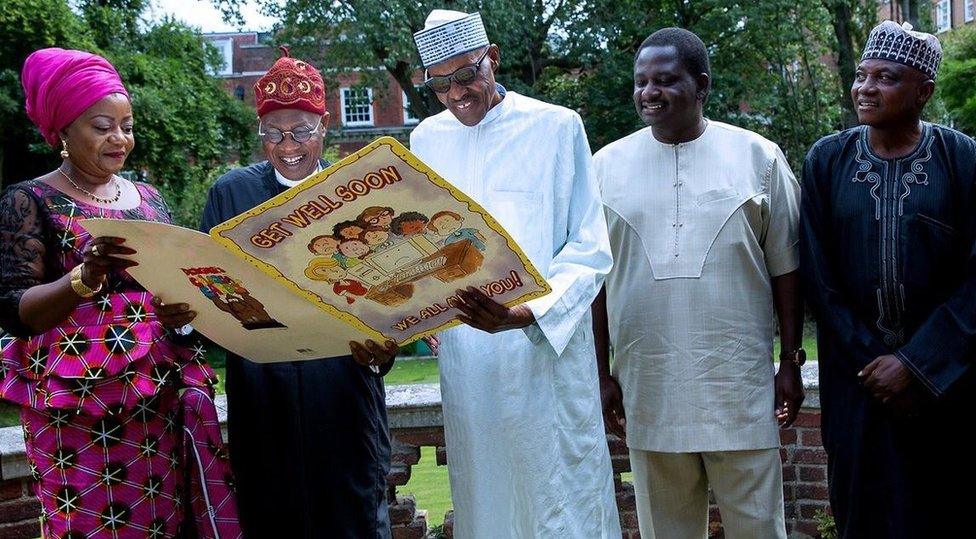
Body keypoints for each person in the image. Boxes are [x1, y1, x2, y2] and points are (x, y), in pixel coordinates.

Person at [0, 48, 239, 539]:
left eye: (127, 126)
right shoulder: (29, 200)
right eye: (102, 126)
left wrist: (182, 315)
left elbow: (170, 288)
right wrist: (83, 278)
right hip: (76, 408)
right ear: (63, 130)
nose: (120, 138)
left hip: (158, 399)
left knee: (171, 523)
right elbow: (15, 312)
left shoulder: (149, 200)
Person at [409, 10, 620, 537]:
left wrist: (529, 312)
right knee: (485, 506)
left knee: (561, 503)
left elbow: (590, 248)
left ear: (493, 58)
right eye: (439, 85)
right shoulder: (425, 141)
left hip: (544, 353)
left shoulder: (556, 126)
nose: (457, 95)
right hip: (468, 359)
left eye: (466, 76)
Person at [591, 28, 803, 539]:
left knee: (760, 530)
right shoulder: (603, 167)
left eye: (665, 80)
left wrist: (790, 363)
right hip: (648, 390)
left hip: (741, 390)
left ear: (701, 85)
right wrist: (601, 373)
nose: (649, 92)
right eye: (641, 81)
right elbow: (593, 284)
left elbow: (789, 271)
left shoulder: (759, 158)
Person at [199, 47, 398, 538]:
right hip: (263, 393)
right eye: (274, 133)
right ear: (260, 132)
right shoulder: (231, 194)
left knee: (353, 519)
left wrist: (385, 347)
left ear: (325, 125)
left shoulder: (357, 191)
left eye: (302, 131)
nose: (288, 146)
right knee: (273, 517)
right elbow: (205, 290)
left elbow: (389, 301)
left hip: (344, 392)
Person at [800, 21, 976, 538]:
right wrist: (875, 365)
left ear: (924, 92)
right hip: (857, 386)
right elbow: (818, 274)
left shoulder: (962, 159)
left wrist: (916, 365)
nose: (866, 88)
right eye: (862, 75)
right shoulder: (828, 161)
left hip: (948, 384)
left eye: (886, 77)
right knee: (863, 513)